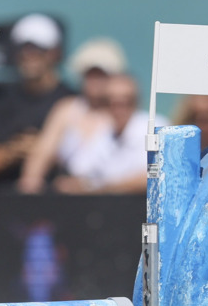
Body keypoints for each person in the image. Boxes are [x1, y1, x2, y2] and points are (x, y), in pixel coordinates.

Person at [0, 13, 74, 187]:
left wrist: (43, 151)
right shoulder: (0, 101)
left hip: (57, 205)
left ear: (55, 53)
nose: (29, 55)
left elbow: (86, 164)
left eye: (38, 49)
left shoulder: (72, 101)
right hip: (4, 203)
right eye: (23, 48)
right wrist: (14, 151)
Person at [17, 36, 127, 193]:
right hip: (68, 198)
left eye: (101, 75)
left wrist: (91, 186)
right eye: (90, 74)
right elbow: (43, 153)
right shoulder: (66, 109)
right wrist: (30, 182)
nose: (95, 81)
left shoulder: (121, 114)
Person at [23, 70, 159, 194]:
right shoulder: (104, 133)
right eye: (111, 102)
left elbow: (155, 175)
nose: (119, 108)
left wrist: (102, 187)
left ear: (137, 101)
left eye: (126, 101)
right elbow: (81, 171)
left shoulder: (155, 127)